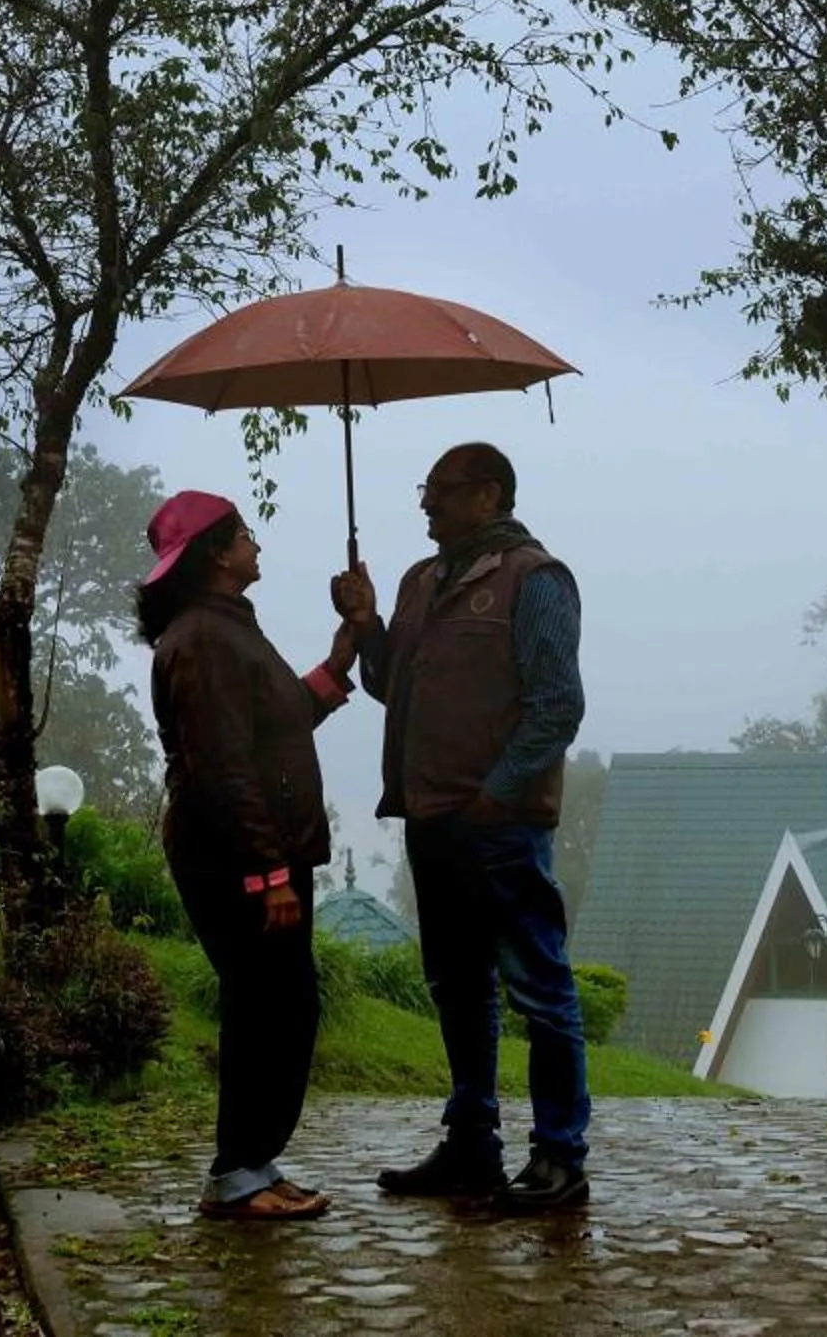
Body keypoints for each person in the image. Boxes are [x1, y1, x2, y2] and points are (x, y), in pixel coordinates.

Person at [333, 441, 592, 1212]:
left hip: (500, 827)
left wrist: (494, 796)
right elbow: (390, 684)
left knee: (539, 990)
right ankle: (472, 1147)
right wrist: (367, 621)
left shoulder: (535, 581)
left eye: (439, 491)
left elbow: (557, 707)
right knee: (457, 988)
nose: (425, 504)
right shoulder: (421, 581)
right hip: (430, 820)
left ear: (489, 494)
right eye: (425, 489)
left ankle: (559, 1158)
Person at [140, 488, 359, 1223]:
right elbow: (224, 767)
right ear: (216, 554)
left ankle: (253, 1164)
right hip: (236, 859)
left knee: (282, 1008)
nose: (256, 545)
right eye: (244, 535)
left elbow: (279, 721)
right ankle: (236, 1176)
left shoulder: (226, 629)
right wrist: (268, 874)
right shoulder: (202, 639)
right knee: (269, 1009)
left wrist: (342, 652)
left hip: (256, 854)